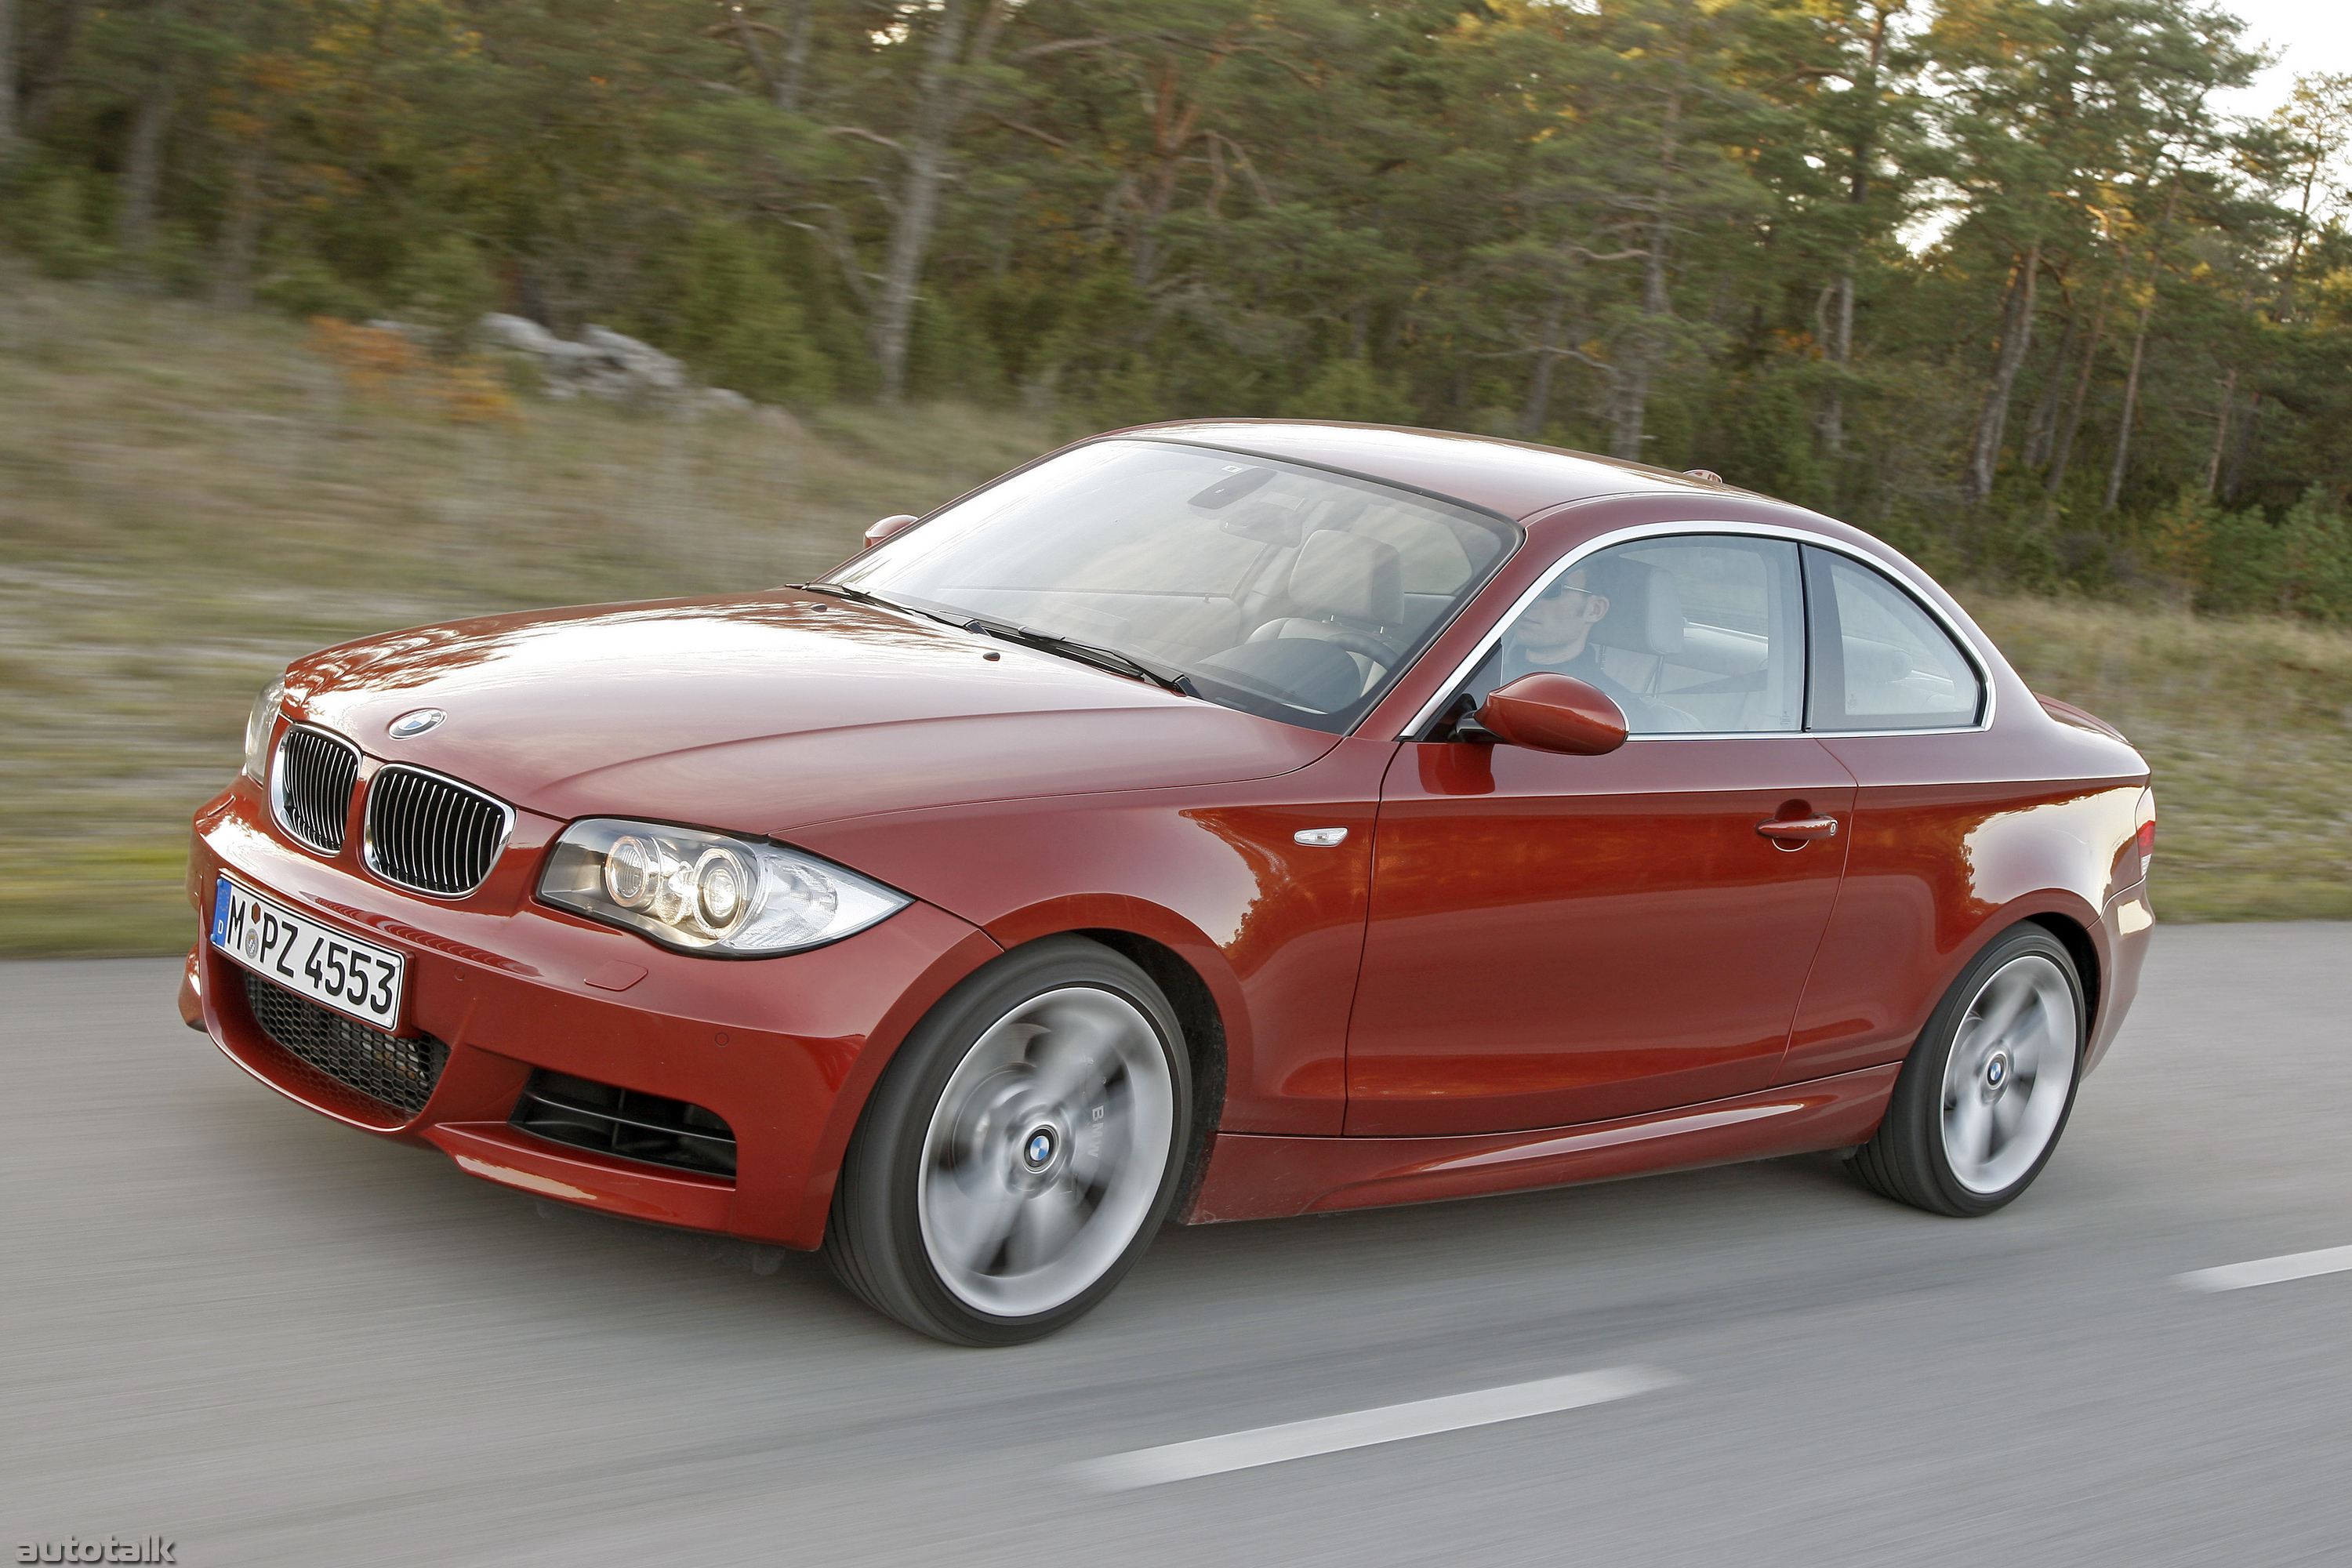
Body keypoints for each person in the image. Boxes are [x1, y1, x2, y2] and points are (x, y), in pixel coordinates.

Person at [1490, 561, 1661, 731]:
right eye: (1525, 586)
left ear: (1595, 609)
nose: (1528, 599)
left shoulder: (1618, 715)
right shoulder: (1475, 678)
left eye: (1552, 589)